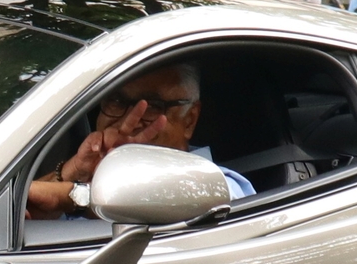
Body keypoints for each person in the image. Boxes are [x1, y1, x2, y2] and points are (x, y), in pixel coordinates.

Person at [25, 60, 255, 219]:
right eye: (116, 101)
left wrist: (74, 197)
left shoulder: (223, 187)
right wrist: (73, 171)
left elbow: (175, 201)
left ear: (189, 120)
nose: (129, 119)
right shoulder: (83, 175)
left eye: (153, 107)